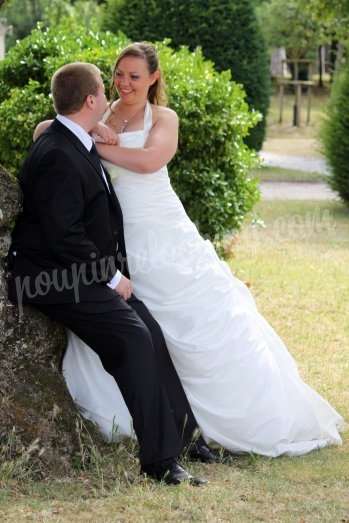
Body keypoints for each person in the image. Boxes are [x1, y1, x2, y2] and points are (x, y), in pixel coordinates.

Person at [35, 44, 344, 457]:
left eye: (134, 76)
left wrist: (96, 145)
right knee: (135, 322)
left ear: (153, 78)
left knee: (197, 319)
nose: (124, 83)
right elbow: (48, 130)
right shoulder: (100, 113)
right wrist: (88, 133)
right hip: (117, 237)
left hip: (160, 229)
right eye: (118, 74)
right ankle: (152, 415)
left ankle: (223, 421)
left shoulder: (164, 118)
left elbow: (149, 160)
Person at [6, 61, 213, 486]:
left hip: (78, 271)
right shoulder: (59, 154)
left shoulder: (73, 137)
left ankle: (185, 437)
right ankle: (159, 463)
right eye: (104, 88)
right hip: (52, 280)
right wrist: (112, 278)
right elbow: (63, 238)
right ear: (90, 100)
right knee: (133, 337)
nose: (112, 93)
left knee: (150, 331)